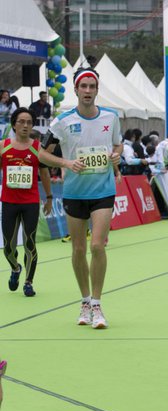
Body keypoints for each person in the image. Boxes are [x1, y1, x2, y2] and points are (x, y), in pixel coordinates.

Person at [42, 67, 122, 329]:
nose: (88, 91)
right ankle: (85, 301)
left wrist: (116, 155)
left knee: (97, 246)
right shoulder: (62, 121)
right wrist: (66, 163)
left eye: (92, 86)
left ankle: (97, 305)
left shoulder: (111, 117)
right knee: (78, 249)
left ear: (97, 90)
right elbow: (42, 154)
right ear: (75, 90)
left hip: (103, 191)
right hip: (75, 192)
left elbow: (117, 144)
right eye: (83, 86)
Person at [2, 108, 81, 297]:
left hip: (30, 202)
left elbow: (44, 173)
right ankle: (15, 268)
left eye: (29, 122)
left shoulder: (38, 148)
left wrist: (49, 198)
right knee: (8, 247)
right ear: (14, 125)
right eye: (21, 122)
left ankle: (28, 282)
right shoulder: (3, 146)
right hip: (9, 202)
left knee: (29, 243)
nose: (25, 125)